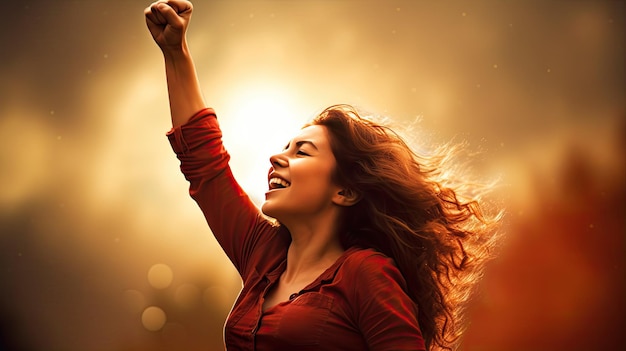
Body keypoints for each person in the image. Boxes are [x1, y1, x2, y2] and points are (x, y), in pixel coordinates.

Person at [145, 1, 501, 350]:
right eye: (284, 147)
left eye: (302, 151)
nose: (275, 157)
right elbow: (206, 166)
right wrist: (175, 52)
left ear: (345, 191)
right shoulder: (263, 255)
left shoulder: (366, 274)